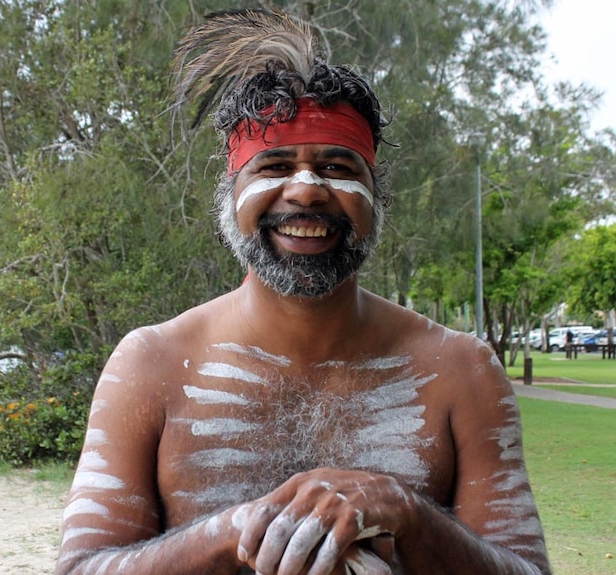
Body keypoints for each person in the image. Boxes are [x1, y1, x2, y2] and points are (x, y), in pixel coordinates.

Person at [54, 8, 551, 575]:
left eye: (338, 165)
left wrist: (405, 512)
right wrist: (234, 532)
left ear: (374, 195)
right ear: (231, 191)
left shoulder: (461, 370)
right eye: (273, 164)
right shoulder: (150, 365)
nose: (307, 191)